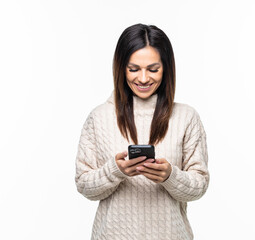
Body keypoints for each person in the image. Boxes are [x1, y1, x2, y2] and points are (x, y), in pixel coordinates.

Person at [75, 23, 209, 240]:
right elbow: (84, 185)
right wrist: (115, 171)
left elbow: (200, 186)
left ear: (166, 68)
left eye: (153, 69)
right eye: (134, 69)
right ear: (121, 67)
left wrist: (170, 176)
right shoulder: (99, 117)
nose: (144, 78)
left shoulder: (186, 117)